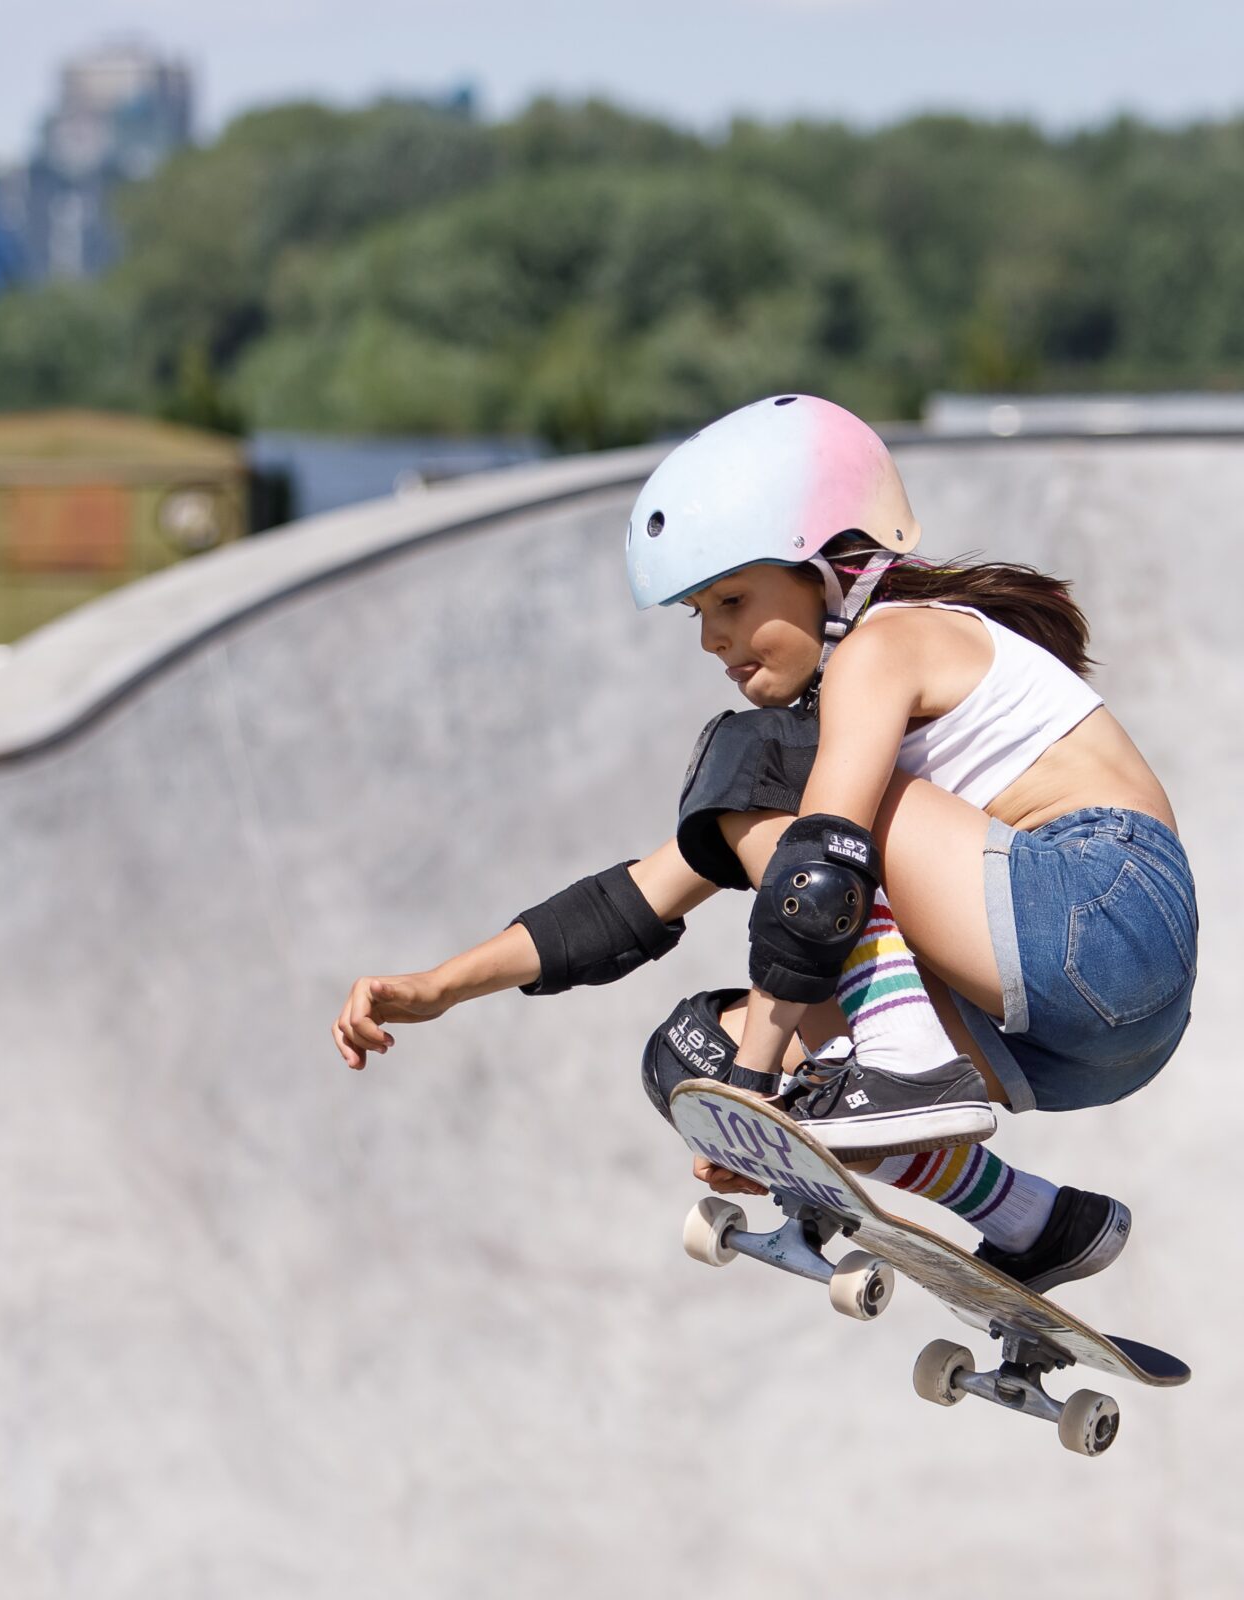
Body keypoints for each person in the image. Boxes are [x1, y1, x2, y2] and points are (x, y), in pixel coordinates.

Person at [332, 394, 1198, 1294]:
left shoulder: (889, 643)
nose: (714, 638)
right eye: (699, 612)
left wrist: (759, 1085)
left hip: (1099, 907)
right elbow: (635, 898)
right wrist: (441, 986)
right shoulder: (845, 701)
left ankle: (906, 1063)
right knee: (691, 1057)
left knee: (762, 766)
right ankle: (1036, 1220)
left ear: (827, 569)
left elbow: (825, 860)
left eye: (735, 600)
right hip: (1083, 1039)